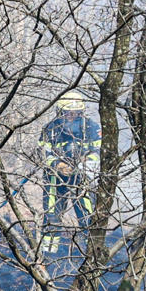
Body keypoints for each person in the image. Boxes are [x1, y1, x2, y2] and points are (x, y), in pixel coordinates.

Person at [40, 91, 100, 254]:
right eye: (68, 112)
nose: (71, 116)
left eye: (75, 112)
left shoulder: (91, 128)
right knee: (52, 215)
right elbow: (43, 153)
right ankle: (48, 254)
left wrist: (84, 161)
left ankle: (87, 252)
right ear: (60, 112)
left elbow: (99, 150)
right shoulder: (50, 129)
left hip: (82, 177)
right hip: (55, 178)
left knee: (88, 215)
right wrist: (58, 165)